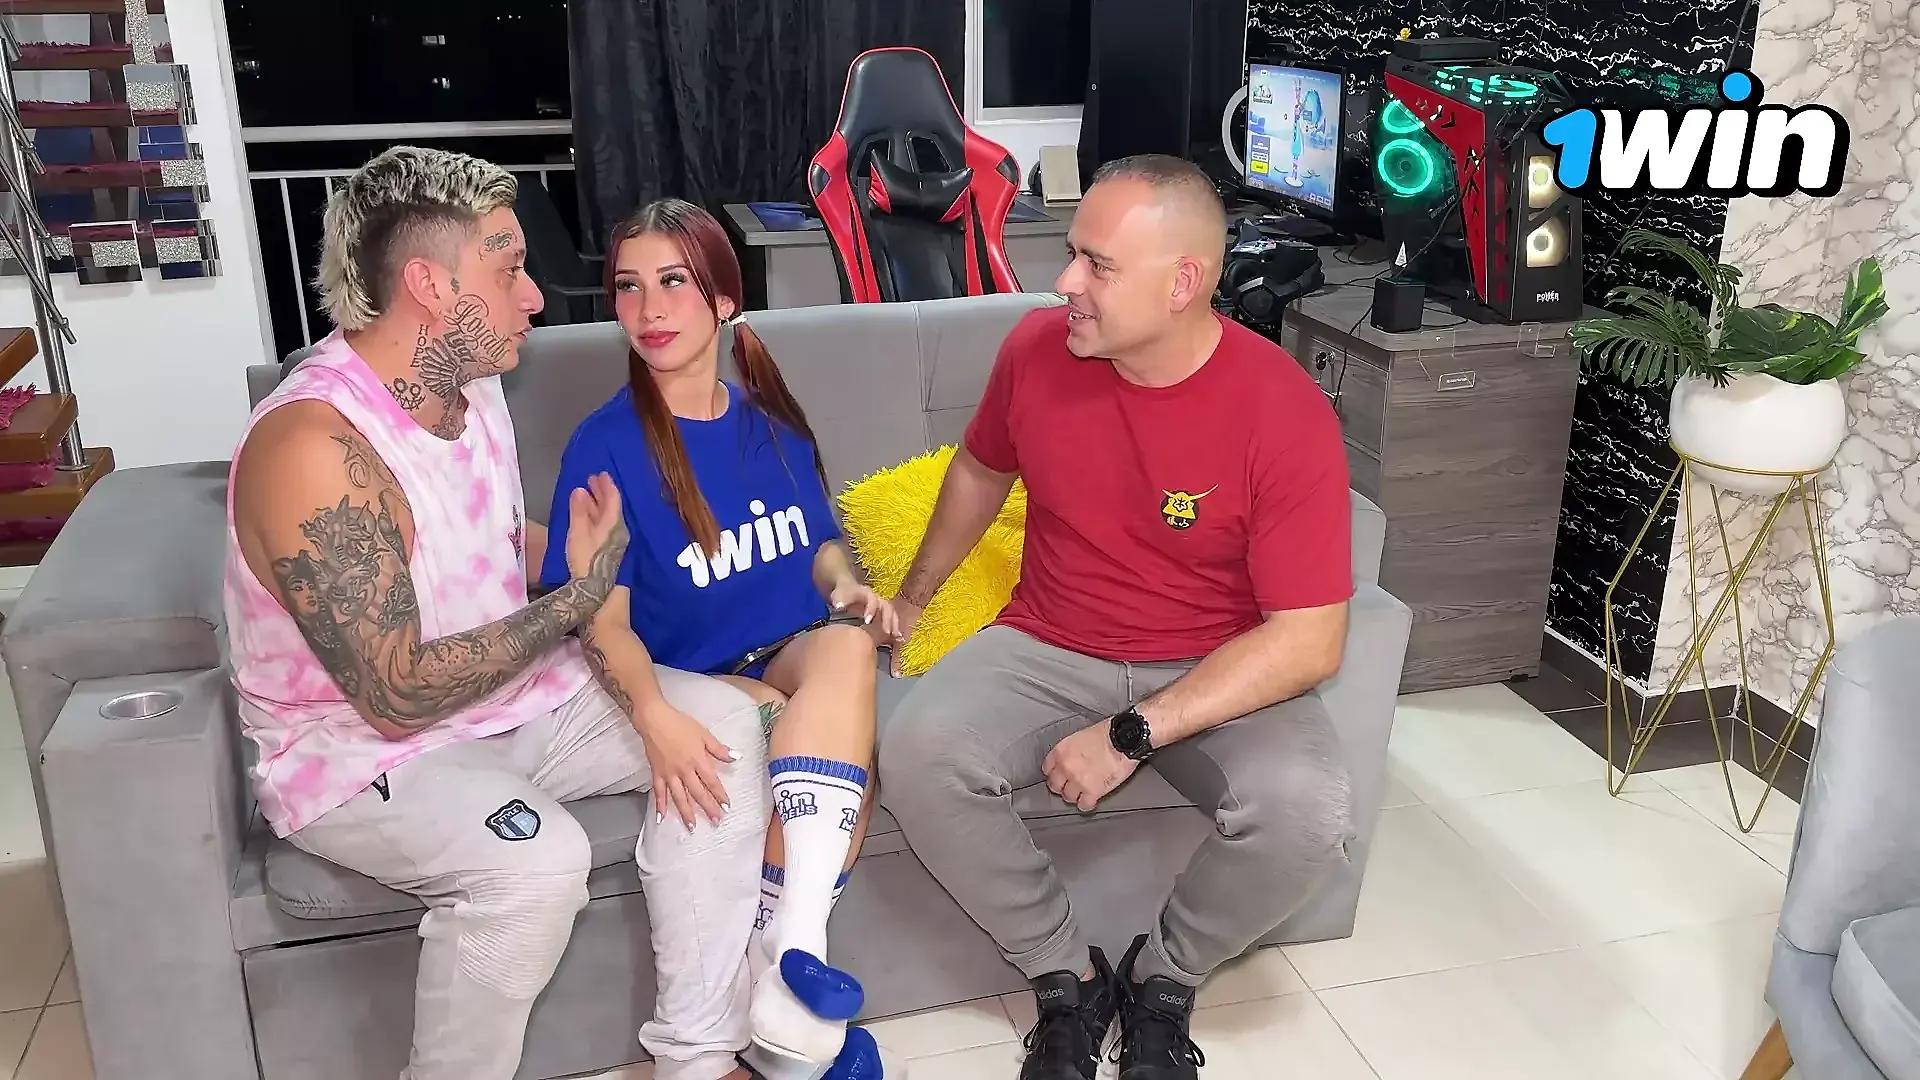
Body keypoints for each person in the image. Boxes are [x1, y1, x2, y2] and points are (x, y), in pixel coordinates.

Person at [224, 147, 772, 1080]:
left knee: (719, 726)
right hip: (361, 752)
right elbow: (396, 692)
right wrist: (575, 601)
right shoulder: (313, 447)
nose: (533, 296)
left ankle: (696, 1055)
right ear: (430, 286)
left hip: (513, 701)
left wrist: (589, 558)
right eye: (508, 268)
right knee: (537, 866)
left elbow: (478, 537)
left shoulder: (471, 384)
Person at [877, 154, 1358, 1080]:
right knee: (921, 753)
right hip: (1050, 642)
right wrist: (914, 593)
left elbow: (1310, 639)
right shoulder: (1035, 351)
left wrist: (1130, 734)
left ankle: (1163, 980)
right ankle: (1067, 975)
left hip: (1218, 666)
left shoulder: (1282, 409)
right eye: (1073, 255)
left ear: (1183, 283)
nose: (1064, 282)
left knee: (1309, 815)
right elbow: (980, 468)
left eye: (1096, 265)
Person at [541, 198, 895, 1080]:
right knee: (822, 748)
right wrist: (654, 713)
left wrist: (846, 585)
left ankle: (789, 953)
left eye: (674, 282)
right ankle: (786, 1022)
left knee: (849, 648)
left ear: (725, 299)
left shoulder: (770, 422)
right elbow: (596, 618)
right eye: (629, 287)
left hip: (784, 643)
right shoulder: (605, 445)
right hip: (690, 673)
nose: (648, 309)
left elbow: (819, 543)